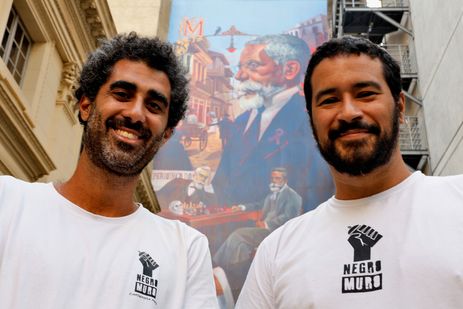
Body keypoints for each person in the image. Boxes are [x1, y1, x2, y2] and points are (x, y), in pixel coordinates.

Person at [236, 36, 463, 308]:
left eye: (366, 94)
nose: (348, 112)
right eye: (329, 100)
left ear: (400, 107)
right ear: (312, 120)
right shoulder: (277, 252)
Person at [0, 33, 218, 308]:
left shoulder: (186, 250)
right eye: (122, 95)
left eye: (153, 106)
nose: (136, 114)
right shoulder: (7, 203)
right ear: (86, 106)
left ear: (166, 134)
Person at [212, 34, 333, 211]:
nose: (239, 76)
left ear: (289, 70)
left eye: (253, 65)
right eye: (240, 67)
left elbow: (314, 192)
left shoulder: (312, 122)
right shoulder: (241, 121)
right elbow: (222, 179)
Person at [213, 167, 302, 300]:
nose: (274, 181)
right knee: (241, 247)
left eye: (278, 178)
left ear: (285, 180)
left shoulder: (292, 196)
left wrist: (266, 224)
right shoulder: (272, 194)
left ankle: (218, 266)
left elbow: (289, 218)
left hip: (275, 233)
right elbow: (258, 205)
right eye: (273, 178)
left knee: (238, 235)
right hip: (264, 230)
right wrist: (242, 207)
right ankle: (235, 282)